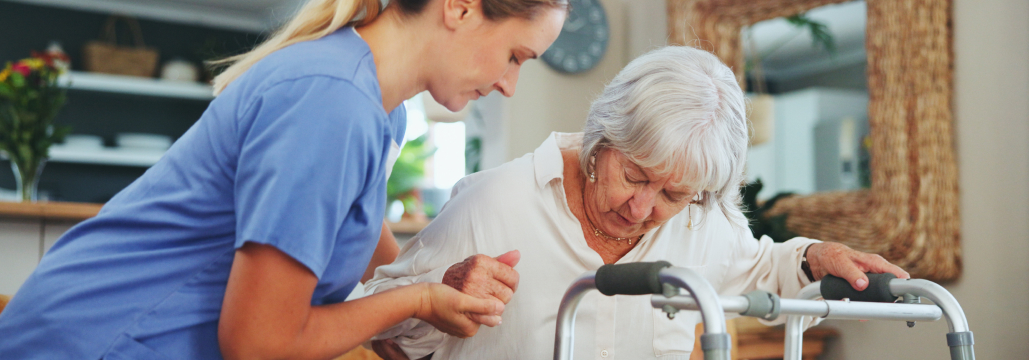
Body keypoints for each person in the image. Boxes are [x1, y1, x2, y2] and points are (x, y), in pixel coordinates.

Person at [0, 0, 565, 359]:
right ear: (461, 8)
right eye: (516, 56)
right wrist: (416, 299)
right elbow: (259, 344)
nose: (510, 84)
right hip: (91, 339)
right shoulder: (333, 103)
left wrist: (433, 284)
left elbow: (371, 254)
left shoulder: (377, 106)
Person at [365, 46, 910, 359]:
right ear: (604, 140)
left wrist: (815, 255)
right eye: (635, 176)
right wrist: (439, 295)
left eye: (672, 194)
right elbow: (381, 329)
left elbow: (764, 267)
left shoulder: (701, 226)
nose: (641, 208)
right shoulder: (495, 203)